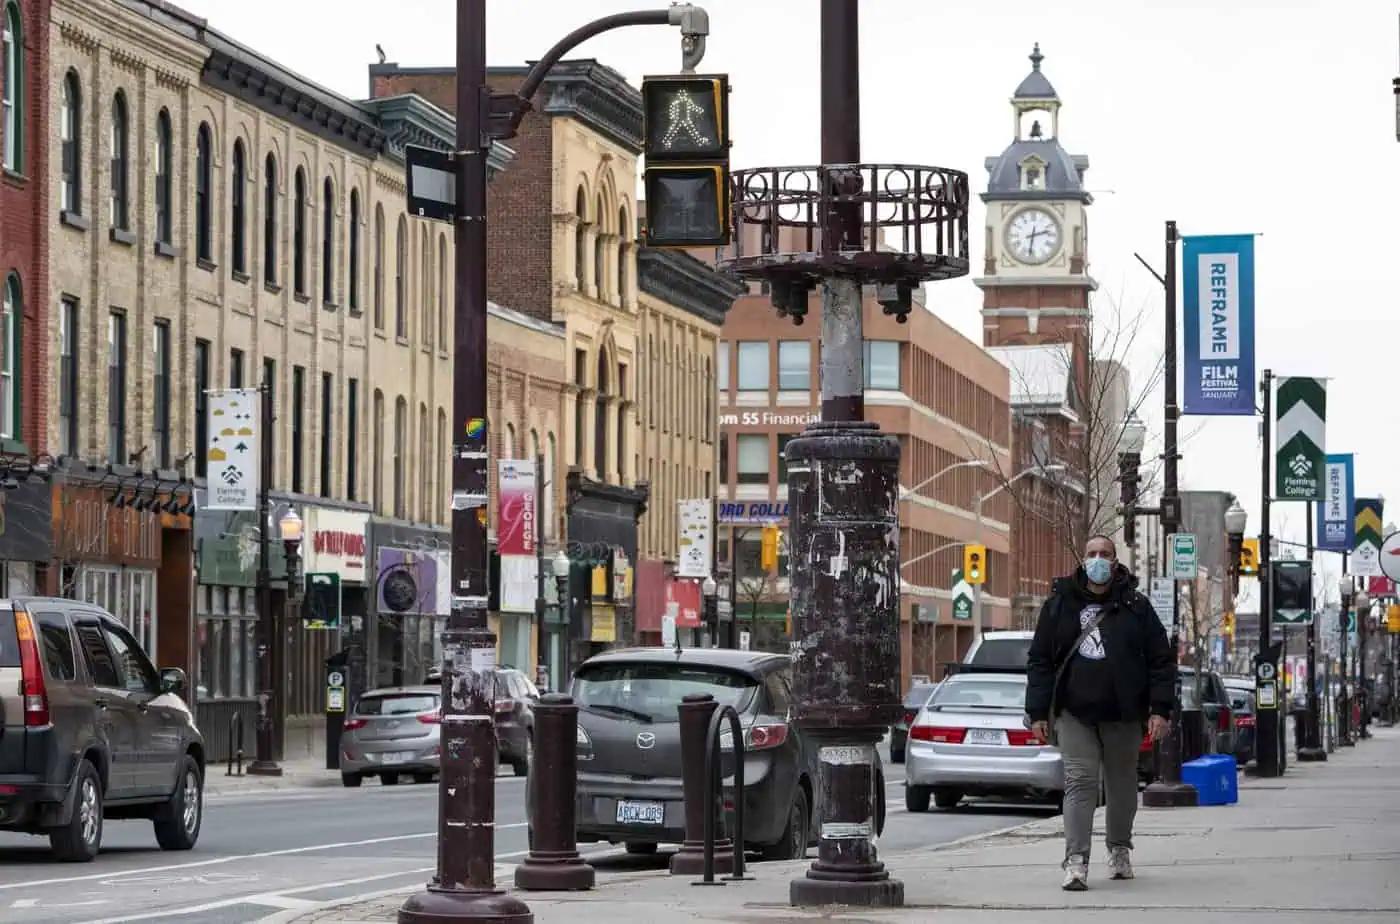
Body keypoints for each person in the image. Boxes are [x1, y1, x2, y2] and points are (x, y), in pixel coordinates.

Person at [1026, 535, 1175, 891]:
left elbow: (1161, 661)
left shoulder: (1136, 606)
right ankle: (1076, 861)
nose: (1098, 560)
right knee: (1080, 782)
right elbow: (1040, 661)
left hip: (1123, 712)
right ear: (1082, 559)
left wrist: (1160, 710)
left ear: (1115, 560)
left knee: (1122, 784)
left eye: (1105, 555)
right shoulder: (1059, 604)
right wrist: (1037, 712)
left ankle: (1119, 848)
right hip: (1074, 711)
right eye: (1092, 554)